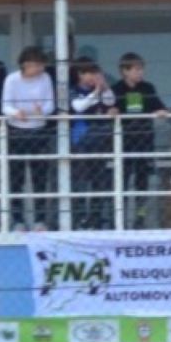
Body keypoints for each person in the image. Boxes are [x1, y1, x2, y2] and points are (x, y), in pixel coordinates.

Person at [1, 46, 56, 230]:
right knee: (16, 178)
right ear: (25, 64)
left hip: (39, 131)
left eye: (42, 65)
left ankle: (39, 219)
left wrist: (43, 112)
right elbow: (5, 106)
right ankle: (18, 220)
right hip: (17, 131)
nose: (40, 69)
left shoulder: (46, 78)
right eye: (37, 65)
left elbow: (50, 104)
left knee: (39, 178)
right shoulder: (12, 79)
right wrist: (16, 113)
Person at [112, 52, 168, 229]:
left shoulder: (147, 88)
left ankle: (139, 216)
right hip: (124, 143)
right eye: (136, 69)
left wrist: (160, 112)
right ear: (124, 71)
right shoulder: (117, 89)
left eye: (141, 68)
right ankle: (119, 219)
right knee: (122, 181)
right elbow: (109, 110)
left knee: (142, 183)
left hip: (144, 141)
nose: (140, 72)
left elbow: (160, 107)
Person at [68, 58, 118, 229]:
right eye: (89, 73)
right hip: (80, 141)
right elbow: (79, 107)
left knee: (99, 181)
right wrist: (95, 92)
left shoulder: (100, 90)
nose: (93, 77)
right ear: (81, 74)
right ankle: (80, 216)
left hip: (100, 142)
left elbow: (110, 101)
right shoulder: (74, 90)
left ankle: (96, 216)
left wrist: (104, 87)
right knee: (81, 181)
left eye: (95, 73)